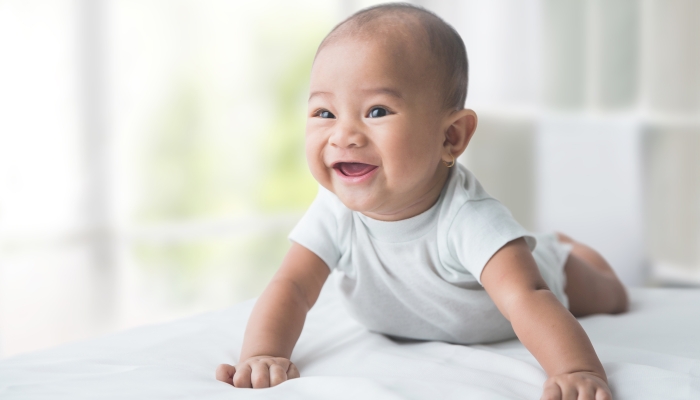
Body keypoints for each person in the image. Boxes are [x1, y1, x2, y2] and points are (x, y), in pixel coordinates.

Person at [216, 4, 628, 399]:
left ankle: (565, 250)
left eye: (377, 111)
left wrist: (576, 371)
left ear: (451, 137)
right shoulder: (334, 211)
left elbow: (528, 297)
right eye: (324, 113)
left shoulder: (469, 219)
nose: (344, 135)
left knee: (607, 297)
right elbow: (292, 287)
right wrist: (263, 354)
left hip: (543, 277)